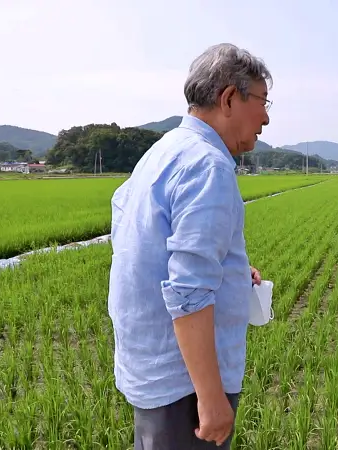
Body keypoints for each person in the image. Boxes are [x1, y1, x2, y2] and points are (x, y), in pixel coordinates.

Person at [107, 43, 272, 449]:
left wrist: (232, 274)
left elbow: (143, 245)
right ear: (230, 98)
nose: (266, 118)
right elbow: (188, 290)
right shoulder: (207, 164)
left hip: (153, 373)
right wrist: (211, 398)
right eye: (263, 103)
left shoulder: (162, 153)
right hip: (186, 388)